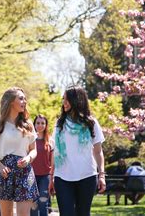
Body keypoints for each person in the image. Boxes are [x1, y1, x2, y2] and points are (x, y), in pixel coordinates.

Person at [49, 85, 106, 216]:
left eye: (67, 99)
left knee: (83, 213)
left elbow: (98, 152)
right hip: (62, 177)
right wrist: (51, 177)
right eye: (63, 99)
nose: (64, 102)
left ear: (77, 100)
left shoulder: (91, 123)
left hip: (87, 176)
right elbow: (55, 152)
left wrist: (101, 175)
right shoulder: (60, 124)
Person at [0, 87, 39, 216]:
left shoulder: (28, 124)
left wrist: (28, 158)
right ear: (10, 102)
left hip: (25, 171)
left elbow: (34, 150)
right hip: (4, 172)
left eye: (25, 99)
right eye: (21, 98)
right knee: (6, 214)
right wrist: (0, 166)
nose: (24, 101)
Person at [30, 115, 53, 216]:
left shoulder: (50, 141)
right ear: (34, 125)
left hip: (45, 176)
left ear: (46, 125)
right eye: (38, 123)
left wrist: (52, 177)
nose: (40, 125)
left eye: (42, 123)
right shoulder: (30, 139)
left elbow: (52, 162)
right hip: (31, 176)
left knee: (43, 203)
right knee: (33, 204)